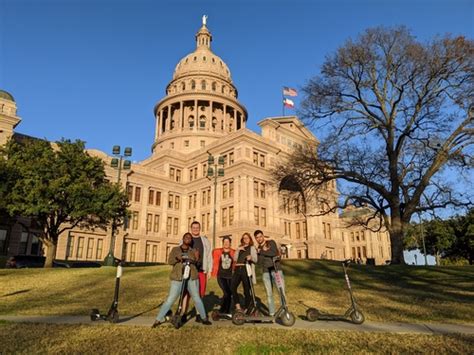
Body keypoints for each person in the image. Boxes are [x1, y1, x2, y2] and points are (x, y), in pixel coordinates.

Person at [152, 232, 211, 327]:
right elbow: (170, 261)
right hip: (178, 278)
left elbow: (198, 264)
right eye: (186, 237)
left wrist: (197, 257)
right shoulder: (175, 249)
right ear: (183, 239)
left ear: (191, 241)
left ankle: (204, 318)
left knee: (196, 298)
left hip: (192, 277)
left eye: (190, 238)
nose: (188, 238)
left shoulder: (193, 251)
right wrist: (177, 258)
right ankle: (158, 319)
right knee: (170, 299)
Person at [182, 221, 212, 322]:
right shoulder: (185, 239)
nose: (195, 229)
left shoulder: (205, 241)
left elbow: (209, 256)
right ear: (191, 228)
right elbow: (180, 253)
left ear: (200, 228)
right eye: (194, 227)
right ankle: (183, 314)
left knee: (200, 293)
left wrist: (209, 270)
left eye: (197, 227)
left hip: (201, 270)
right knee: (186, 293)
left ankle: (199, 314)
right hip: (188, 271)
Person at [254, 230, 286, 317]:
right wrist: (258, 253)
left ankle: (285, 312)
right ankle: (272, 313)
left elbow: (273, 253)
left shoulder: (270, 242)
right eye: (257, 237)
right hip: (265, 272)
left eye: (260, 236)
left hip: (275, 270)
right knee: (269, 294)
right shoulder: (259, 249)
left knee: (281, 291)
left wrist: (262, 252)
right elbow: (260, 263)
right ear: (256, 239)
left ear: (263, 236)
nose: (259, 239)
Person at [231, 232, 258, 312]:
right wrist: (237, 250)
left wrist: (251, 257)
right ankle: (238, 307)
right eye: (244, 238)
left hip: (245, 268)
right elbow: (235, 259)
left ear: (250, 239)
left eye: (247, 238)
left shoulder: (252, 247)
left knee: (246, 289)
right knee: (232, 287)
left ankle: (247, 308)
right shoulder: (240, 247)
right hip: (237, 269)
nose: (245, 239)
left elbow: (256, 259)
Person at [211, 236, 235, 316]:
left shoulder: (233, 252)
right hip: (221, 276)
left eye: (228, 242)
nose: (226, 243)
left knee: (228, 293)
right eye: (225, 242)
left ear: (230, 243)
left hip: (230, 276)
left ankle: (224, 310)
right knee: (227, 292)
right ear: (223, 243)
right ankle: (225, 311)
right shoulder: (217, 251)